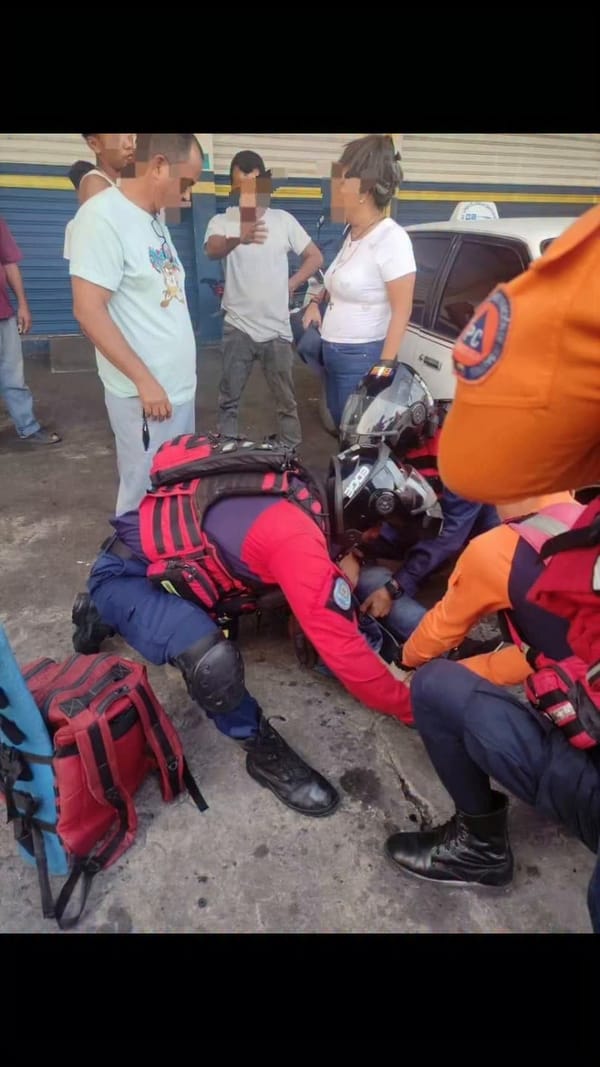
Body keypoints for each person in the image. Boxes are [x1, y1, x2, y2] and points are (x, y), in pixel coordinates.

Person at [391, 205, 600, 931]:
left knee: (435, 681)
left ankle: (480, 843)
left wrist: (405, 669)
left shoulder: (495, 550)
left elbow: (431, 641)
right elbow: (557, 648)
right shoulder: (580, 507)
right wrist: (500, 669)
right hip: (572, 667)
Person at [70, 435, 440, 814]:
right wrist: (411, 708)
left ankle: (104, 612)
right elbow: (345, 653)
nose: (378, 540)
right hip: (126, 576)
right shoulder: (294, 539)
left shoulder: (301, 489)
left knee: (278, 594)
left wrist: (348, 559)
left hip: (172, 563)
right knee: (211, 660)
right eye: (377, 531)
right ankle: (260, 748)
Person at [69, 133, 204, 516]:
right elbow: (88, 311)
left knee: (173, 487)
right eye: (187, 183)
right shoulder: (100, 217)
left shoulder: (152, 218)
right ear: (159, 166)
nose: (188, 196)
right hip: (147, 399)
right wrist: (144, 381)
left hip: (175, 392)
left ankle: (167, 563)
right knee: (143, 496)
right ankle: (131, 569)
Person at [204, 150, 323, 449]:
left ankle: (289, 454)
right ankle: (228, 451)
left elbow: (315, 256)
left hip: (277, 331)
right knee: (228, 399)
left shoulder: (283, 221)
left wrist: (292, 282)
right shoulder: (222, 220)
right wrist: (238, 237)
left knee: (286, 402)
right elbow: (212, 249)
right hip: (238, 328)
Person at [302, 134, 416, 430]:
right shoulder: (351, 234)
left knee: (359, 434)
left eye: (341, 181)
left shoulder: (391, 239)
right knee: (343, 428)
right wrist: (315, 303)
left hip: (362, 359)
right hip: (334, 354)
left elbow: (402, 311)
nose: (336, 188)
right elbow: (337, 279)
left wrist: (383, 370)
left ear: (362, 189)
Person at [0, 217, 61, 446]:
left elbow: (9, 263)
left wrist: (22, 303)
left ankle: (27, 427)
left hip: (3, 313)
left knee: (14, 377)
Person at [63, 134, 136, 260]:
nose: (130, 145)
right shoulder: (96, 184)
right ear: (94, 144)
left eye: (132, 136)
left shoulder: (122, 185)